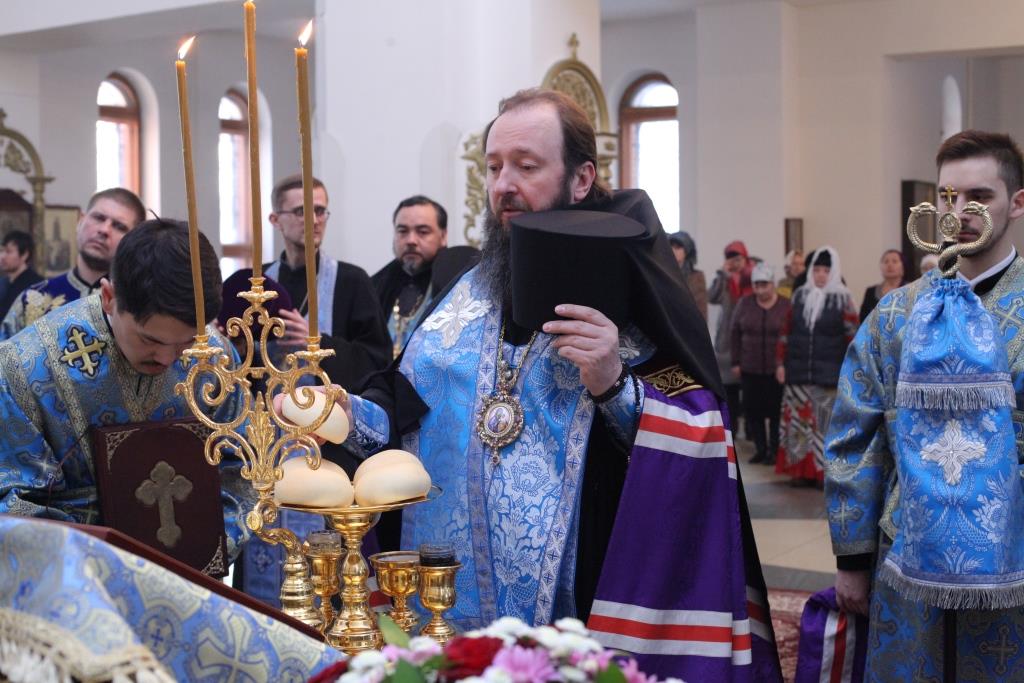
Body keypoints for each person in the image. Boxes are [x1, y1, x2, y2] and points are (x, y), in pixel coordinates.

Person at [342, 89, 780, 681]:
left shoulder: (631, 289)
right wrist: (341, 412)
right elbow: (404, 405)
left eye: (526, 166)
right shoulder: (465, 289)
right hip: (447, 603)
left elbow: (700, 422)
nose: (503, 185)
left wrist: (614, 384)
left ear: (581, 179)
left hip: (584, 599)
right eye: (494, 167)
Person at [825, 130, 1024, 680]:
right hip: (905, 549)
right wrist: (852, 559)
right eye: (947, 197)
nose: (960, 213)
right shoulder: (894, 314)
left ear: (1016, 203)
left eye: (980, 197)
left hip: (1015, 547)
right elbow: (855, 434)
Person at [0, 218, 252, 555]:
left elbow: (241, 471)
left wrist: (211, 550)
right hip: (75, 571)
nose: (167, 358)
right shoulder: (27, 365)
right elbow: (13, 498)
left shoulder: (214, 357)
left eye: (187, 342)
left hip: (190, 569)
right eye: (150, 340)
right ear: (109, 297)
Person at [262, 174, 391, 390]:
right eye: (301, 211)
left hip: (330, 408)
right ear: (275, 220)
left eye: (320, 211)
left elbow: (377, 361)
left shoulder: (353, 281)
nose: (314, 221)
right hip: (266, 406)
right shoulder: (258, 282)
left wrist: (318, 343)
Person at [0, 188, 145, 339]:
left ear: (133, 241)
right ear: (80, 220)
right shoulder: (33, 298)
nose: (104, 230)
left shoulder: (141, 306)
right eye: (99, 218)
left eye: (119, 226)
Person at [775, 246, 857, 485]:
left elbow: (853, 339)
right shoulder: (799, 297)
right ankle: (799, 473)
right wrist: (780, 364)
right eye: (817, 270)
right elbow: (785, 334)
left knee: (824, 427)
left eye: (825, 271)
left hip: (828, 377)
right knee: (797, 426)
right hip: (797, 375)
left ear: (834, 273)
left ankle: (823, 474)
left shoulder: (843, 299)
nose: (820, 275)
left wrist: (851, 370)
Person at [371, 195, 448, 356]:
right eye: (403, 231)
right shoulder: (375, 286)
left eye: (423, 232)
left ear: (443, 236)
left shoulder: (457, 284)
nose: (411, 240)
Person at [730, 263, 790, 465]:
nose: (760, 290)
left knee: (775, 412)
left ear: (773, 284)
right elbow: (734, 333)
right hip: (750, 367)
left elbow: (790, 335)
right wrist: (736, 361)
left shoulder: (785, 305)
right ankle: (760, 449)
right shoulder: (744, 304)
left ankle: (775, 450)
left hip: (776, 369)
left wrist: (786, 364)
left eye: (764, 285)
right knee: (753, 411)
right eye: (757, 285)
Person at [708, 240, 752, 434]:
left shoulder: (754, 278)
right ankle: (731, 430)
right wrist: (722, 275)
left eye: (738, 258)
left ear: (745, 258)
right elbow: (711, 297)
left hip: (748, 343)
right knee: (729, 390)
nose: (735, 263)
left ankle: (751, 432)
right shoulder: (726, 280)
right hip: (726, 343)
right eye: (730, 259)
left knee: (749, 391)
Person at [0, 230, 43, 318]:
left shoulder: (36, 285)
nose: (2, 256)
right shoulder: (3, 283)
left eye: (8, 251)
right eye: (1, 251)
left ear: (24, 255)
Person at [667, 230, 707, 319]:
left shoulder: (696, 277)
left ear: (686, 251)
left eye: (678, 247)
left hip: (687, 322)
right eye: (671, 246)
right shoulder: (663, 272)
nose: (673, 250)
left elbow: (701, 310)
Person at [858, 248, 907, 321]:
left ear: (903, 267)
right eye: (886, 262)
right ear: (881, 267)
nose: (890, 265)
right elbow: (863, 319)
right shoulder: (871, 292)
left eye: (894, 261)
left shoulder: (911, 290)